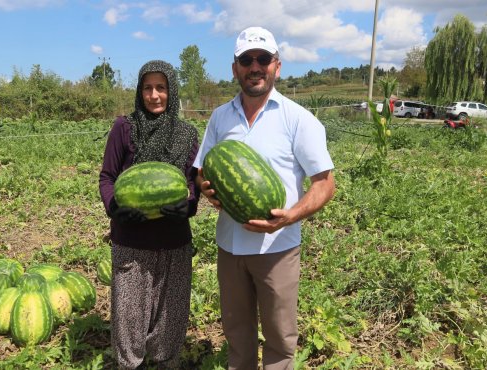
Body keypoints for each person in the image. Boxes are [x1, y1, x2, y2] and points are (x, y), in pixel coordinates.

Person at [193, 27, 336, 370]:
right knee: (237, 336)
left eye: (262, 59)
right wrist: (206, 188)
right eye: (246, 60)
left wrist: (291, 215)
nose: (254, 66)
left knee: (280, 341)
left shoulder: (298, 119)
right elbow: (202, 170)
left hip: (278, 249)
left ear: (277, 66)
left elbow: (325, 183)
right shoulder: (220, 117)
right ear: (235, 68)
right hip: (230, 247)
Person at [99, 60, 200, 369]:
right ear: (139, 91)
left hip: (175, 241)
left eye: (161, 87)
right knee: (129, 325)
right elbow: (107, 177)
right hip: (131, 241)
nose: (154, 95)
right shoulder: (124, 127)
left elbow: (194, 183)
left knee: (170, 323)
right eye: (147, 87)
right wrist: (115, 207)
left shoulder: (187, 134)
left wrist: (189, 205)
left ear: (172, 91)